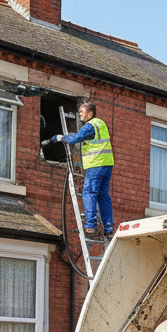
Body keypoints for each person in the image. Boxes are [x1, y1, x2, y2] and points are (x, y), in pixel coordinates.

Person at [44, 100, 113, 239]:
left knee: (89, 192)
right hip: (107, 164)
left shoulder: (90, 126)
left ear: (90, 112)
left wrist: (60, 138)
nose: (80, 115)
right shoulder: (101, 123)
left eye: (82, 112)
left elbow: (76, 138)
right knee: (103, 195)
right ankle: (109, 228)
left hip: (96, 164)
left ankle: (91, 225)